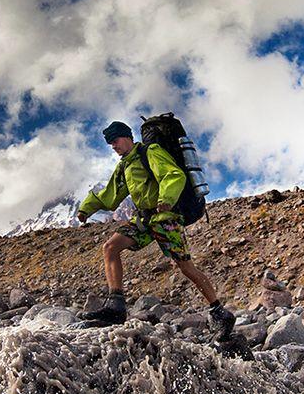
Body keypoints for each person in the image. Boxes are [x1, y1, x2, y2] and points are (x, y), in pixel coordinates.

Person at [76, 120, 236, 338]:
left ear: (127, 137)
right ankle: (116, 306)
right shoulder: (124, 166)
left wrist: (166, 199)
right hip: (144, 219)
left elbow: (173, 174)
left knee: (186, 267)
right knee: (110, 247)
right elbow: (110, 195)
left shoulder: (150, 152)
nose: (113, 146)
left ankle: (219, 311)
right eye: (110, 143)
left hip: (166, 217)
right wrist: (86, 209)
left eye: (115, 140)